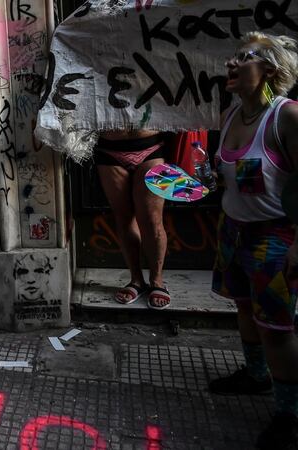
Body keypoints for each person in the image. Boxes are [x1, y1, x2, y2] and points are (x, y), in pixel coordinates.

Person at [207, 32, 298, 449]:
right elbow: (234, 177)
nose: (231, 62)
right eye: (234, 56)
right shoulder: (231, 115)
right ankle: (256, 375)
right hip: (233, 231)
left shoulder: (287, 117)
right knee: (244, 307)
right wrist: (209, 180)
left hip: (274, 237)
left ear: (270, 70)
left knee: (277, 329)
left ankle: (289, 415)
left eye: (244, 57)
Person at [94, 130, 170, 309]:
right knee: (124, 218)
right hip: (108, 148)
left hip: (152, 147)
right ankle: (136, 280)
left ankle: (157, 281)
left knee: (153, 220)